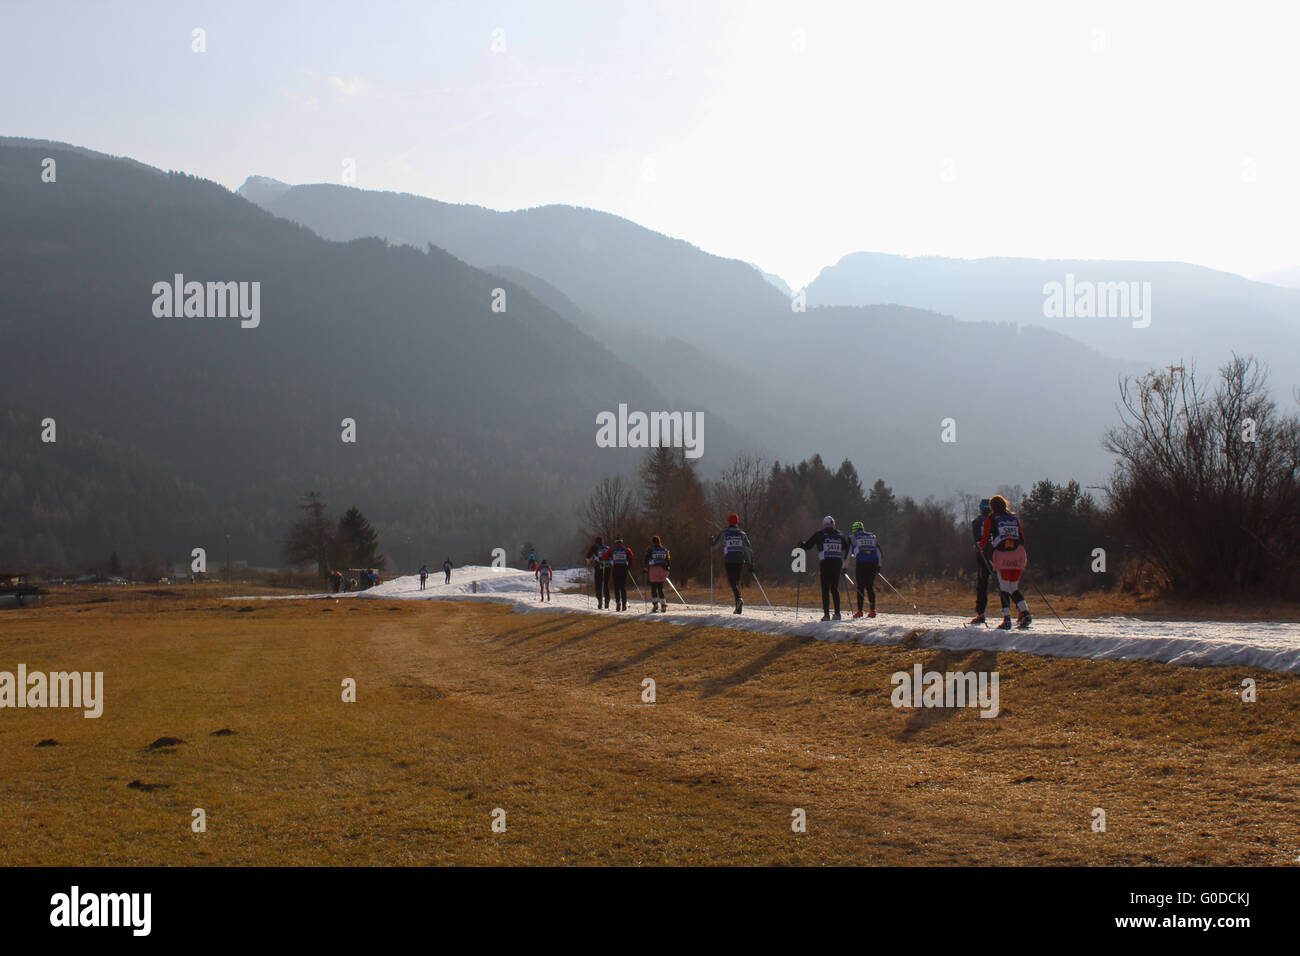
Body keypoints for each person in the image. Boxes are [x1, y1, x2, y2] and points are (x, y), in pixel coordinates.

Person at [977, 495, 1032, 629]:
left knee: (1004, 587)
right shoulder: (1014, 517)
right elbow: (1023, 538)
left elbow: (985, 539)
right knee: (1013, 587)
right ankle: (1026, 614)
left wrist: (980, 546)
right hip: (1019, 554)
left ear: (992, 507)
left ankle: (1007, 619)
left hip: (1003, 555)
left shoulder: (991, 518)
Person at [799, 515, 847, 620]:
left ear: (824, 524)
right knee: (835, 589)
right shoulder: (840, 534)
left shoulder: (819, 534)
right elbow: (845, 547)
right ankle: (837, 614)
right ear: (833, 524)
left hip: (826, 564)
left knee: (825, 589)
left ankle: (826, 615)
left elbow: (807, 546)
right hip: (837, 563)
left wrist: (800, 544)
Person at [710, 513, 753, 614]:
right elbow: (748, 549)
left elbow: (714, 546)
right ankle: (738, 607)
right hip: (739, 560)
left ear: (728, 521)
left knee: (732, 582)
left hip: (729, 560)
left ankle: (739, 599)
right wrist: (751, 563)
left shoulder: (725, 533)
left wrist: (711, 541)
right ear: (737, 522)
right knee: (737, 582)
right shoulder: (742, 534)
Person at [846, 521, 881, 618]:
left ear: (854, 530)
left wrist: (844, 567)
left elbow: (848, 554)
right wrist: (879, 566)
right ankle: (872, 610)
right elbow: (879, 552)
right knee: (870, 586)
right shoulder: (872, 536)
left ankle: (860, 611)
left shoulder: (853, 537)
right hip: (873, 563)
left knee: (860, 586)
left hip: (861, 563)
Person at [969, 499, 995, 624]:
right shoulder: (996, 520)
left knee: (982, 584)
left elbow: (977, 541)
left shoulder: (977, 521)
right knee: (1006, 584)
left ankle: (981, 613)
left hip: (984, 554)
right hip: (998, 554)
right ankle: (1016, 612)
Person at [599, 537, 635, 611]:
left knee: (616, 587)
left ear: (616, 543)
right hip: (624, 569)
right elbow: (631, 558)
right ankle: (624, 605)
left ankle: (618, 603)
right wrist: (629, 567)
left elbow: (604, 557)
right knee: (623, 587)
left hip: (615, 569)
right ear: (622, 543)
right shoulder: (627, 550)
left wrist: (602, 559)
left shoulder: (612, 549)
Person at [644, 535, 671, 612]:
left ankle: (655, 604)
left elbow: (646, 558)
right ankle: (663, 605)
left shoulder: (650, 549)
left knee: (653, 588)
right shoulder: (664, 549)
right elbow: (668, 560)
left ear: (653, 542)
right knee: (660, 589)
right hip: (663, 570)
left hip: (654, 570)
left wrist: (645, 567)